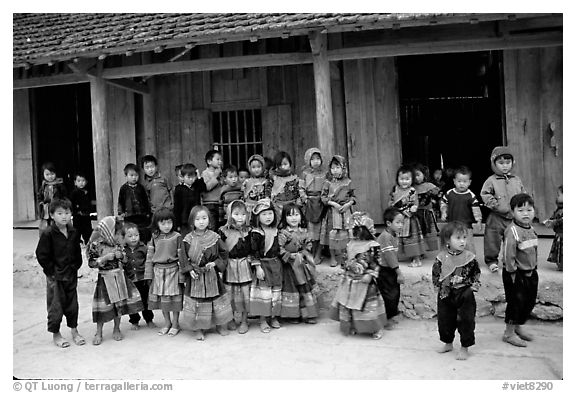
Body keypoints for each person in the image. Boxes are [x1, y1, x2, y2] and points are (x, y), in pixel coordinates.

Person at [35, 198, 85, 348]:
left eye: (67, 213)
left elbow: (77, 251)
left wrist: (77, 265)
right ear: (51, 215)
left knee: (72, 304)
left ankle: (74, 331)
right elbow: (41, 254)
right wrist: (51, 271)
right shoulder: (48, 233)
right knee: (56, 306)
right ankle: (56, 334)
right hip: (55, 276)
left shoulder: (73, 231)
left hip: (70, 273)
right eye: (60, 213)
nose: (64, 216)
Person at [330, 212, 388, 339]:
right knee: (349, 305)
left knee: (367, 307)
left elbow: (377, 263)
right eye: (354, 229)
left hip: (365, 281)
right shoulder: (350, 244)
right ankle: (354, 325)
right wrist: (344, 271)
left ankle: (375, 328)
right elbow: (345, 260)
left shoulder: (372, 246)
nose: (356, 232)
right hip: (350, 280)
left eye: (359, 229)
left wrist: (371, 274)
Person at [87, 216, 143, 345]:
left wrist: (121, 257)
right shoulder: (95, 245)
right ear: (108, 231)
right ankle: (99, 332)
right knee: (102, 306)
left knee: (118, 305)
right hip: (104, 279)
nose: (119, 236)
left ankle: (116, 328)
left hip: (118, 277)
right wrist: (104, 258)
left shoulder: (118, 244)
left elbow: (125, 260)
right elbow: (91, 263)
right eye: (116, 233)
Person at [179, 206, 233, 340]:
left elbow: (224, 253)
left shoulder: (215, 237)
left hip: (212, 275)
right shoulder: (187, 239)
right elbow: (183, 257)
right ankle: (199, 328)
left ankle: (220, 325)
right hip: (196, 277)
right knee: (198, 303)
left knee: (217, 301)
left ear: (209, 220)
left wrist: (215, 263)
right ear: (192, 221)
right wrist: (189, 269)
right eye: (197, 219)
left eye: (204, 218)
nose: (201, 222)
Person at [432, 221, 481, 360]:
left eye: (464, 238)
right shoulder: (441, 257)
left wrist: (473, 286)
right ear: (448, 240)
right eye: (458, 238)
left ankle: (465, 347)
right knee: (445, 319)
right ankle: (448, 343)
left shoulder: (469, 257)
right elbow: (436, 273)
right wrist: (438, 288)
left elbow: (476, 273)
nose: (462, 241)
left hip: (464, 294)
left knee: (466, 320)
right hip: (445, 293)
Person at [501, 193, 538, 347]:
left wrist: (534, 268)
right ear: (512, 212)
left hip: (531, 272)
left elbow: (534, 250)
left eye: (529, 210)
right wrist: (512, 273)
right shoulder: (512, 231)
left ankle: (517, 326)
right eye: (521, 210)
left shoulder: (532, 229)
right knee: (515, 303)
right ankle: (508, 333)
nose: (525, 214)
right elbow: (508, 254)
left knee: (528, 302)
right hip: (516, 274)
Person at [480, 146, 525, 273]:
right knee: (492, 240)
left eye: (508, 162)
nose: (505, 166)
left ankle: (509, 260)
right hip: (496, 217)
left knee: (512, 240)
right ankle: (491, 261)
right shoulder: (491, 180)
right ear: (494, 164)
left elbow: (523, 194)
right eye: (501, 163)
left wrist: (522, 208)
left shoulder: (516, 180)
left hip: (513, 217)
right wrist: (494, 204)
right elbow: (485, 194)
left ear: (512, 163)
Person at [144, 208, 183, 337]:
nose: (167, 226)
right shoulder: (154, 238)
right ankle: (167, 323)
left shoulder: (177, 237)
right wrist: (148, 275)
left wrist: (182, 277)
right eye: (163, 223)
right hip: (159, 272)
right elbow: (150, 258)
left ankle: (176, 324)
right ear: (157, 224)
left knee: (175, 299)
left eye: (169, 222)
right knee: (163, 300)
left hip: (173, 271)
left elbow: (182, 257)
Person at [278, 203, 319, 324]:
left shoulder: (304, 232)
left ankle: (307, 314)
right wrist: (289, 255)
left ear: (301, 216)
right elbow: (279, 248)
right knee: (292, 289)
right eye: (289, 215)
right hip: (289, 268)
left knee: (304, 288)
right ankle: (293, 315)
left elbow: (309, 245)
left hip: (302, 266)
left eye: (296, 214)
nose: (294, 218)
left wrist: (304, 253)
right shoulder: (283, 233)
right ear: (284, 218)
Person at [249, 198, 283, 333]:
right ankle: (263, 319)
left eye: (270, 213)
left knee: (276, 293)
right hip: (263, 266)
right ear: (257, 217)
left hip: (275, 265)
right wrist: (257, 267)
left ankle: (273, 317)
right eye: (263, 214)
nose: (268, 217)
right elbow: (254, 251)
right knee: (264, 294)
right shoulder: (256, 233)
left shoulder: (276, 230)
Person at [219, 200, 252, 334]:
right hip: (230, 266)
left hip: (244, 265)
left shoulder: (249, 231)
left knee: (245, 294)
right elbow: (220, 251)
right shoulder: (223, 231)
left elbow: (252, 249)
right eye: (236, 214)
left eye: (243, 214)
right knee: (230, 294)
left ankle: (244, 320)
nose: (240, 217)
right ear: (229, 214)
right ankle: (231, 318)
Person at [320, 155, 356, 267]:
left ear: (343, 168)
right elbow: (323, 197)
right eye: (332, 168)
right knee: (333, 234)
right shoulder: (328, 183)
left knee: (348, 233)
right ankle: (332, 257)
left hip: (346, 211)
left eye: (338, 167)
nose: (335, 170)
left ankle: (347, 256)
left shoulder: (348, 182)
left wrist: (348, 204)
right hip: (332, 211)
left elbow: (353, 197)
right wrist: (333, 203)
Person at [440, 166, 483, 254]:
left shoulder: (471, 196)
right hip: (452, 224)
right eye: (459, 181)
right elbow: (443, 203)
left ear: (469, 182)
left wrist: (479, 220)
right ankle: (450, 258)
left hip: (466, 225)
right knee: (451, 241)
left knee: (467, 243)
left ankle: (471, 260)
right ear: (454, 181)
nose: (461, 184)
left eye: (464, 181)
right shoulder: (449, 193)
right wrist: (443, 212)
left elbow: (476, 209)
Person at [389, 165, 426, 267]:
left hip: (409, 219)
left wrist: (412, 209)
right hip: (397, 218)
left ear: (412, 179)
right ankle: (397, 256)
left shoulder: (412, 191)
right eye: (401, 179)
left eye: (407, 179)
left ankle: (416, 259)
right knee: (398, 238)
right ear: (397, 179)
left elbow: (415, 204)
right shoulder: (395, 189)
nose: (404, 181)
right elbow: (391, 202)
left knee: (411, 239)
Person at [376, 207, 406, 326]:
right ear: (388, 223)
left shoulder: (393, 235)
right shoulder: (386, 237)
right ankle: (386, 319)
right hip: (385, 270)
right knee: (388, 295)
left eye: (402, 222)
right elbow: (390, 257)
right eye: (397, 222)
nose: (400, 225)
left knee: (394, 293)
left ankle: (391, 314)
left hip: (390, 269)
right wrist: (399, 272)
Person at [122, 222, 155, 330]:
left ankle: (149, 319)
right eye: (130, 236)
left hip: (142, 279)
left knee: (146, 300)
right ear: (124, 237)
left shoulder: (143, 248)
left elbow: (149, 261)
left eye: (136, 235)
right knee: (132, 302)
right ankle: (134, 321)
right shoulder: (123, 250)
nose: (133, 238)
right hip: (130, 280)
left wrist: (149, 276)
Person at [299, 148, 328, 263]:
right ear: (308, 160)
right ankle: (311, 252)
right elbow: (301, 187)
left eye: (318, 158)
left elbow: (328, 187)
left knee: (322, 229)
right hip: (310, 203)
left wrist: (324, 198)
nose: (316, 161)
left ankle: (319, 253)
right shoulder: (305, 174)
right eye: (313, 159)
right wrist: (305, 199)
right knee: (311, 230)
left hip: (322, 203)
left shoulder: (325, 174)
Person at [117, 163, 152, 244]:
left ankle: (144, 247)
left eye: (136, 175)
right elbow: (120, 201)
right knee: (131, 232)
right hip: (129, 216)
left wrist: (147, 212)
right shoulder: (123, 189)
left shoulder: (141, 188)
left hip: (141, 216)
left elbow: (146, 200)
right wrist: (121, 212)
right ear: (126, 176)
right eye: (131, 175)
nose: (134, 177)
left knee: (143, 232)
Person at [173, 163, 206, 237]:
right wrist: (177, 224)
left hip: (196, 217)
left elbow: (204, 188)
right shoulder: (179, 189)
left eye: (193, 177)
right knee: (186, 239)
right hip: (184, 220)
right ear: (183, 177)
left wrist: (199, 176)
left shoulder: (196, 186)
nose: (191, 179)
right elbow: (177, 207)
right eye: (188, 177)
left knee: (198, 236)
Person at [412, 163, 440, 251]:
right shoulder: (411, 188)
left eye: (418, 175)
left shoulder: (429, 186)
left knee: (429, 230)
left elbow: (438, 194)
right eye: (413, 176)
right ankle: (420, 249)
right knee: (417, 231)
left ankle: (430, 248)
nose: (416, 178)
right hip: (416, 213)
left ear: (424, 174)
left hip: (427, 212)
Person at [270, 151, 301, 219]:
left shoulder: (295, 178)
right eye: (280, 165)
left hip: (292, 207)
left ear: (290, 164)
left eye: (285, 164)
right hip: (277, 207)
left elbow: (298, 192)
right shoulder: (273, 178)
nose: (283, 167)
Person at [37, 162, 67, 232]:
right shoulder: (43, 185)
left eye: (52, 174)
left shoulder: (60, 185)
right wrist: (41, 203)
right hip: (46, 210)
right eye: (47, 174)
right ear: (43, 175)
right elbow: (39, 196)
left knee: (57, 227)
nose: (50, 176)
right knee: (44, 228)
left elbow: (64, 196)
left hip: (57, 208)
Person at [242, 154, 271, 222]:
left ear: (263, 167)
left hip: (263, 208)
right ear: (249, 168)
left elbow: (269, 196)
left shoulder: (266, 182)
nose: (256, 169)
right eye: (253, 167)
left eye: (259, 167)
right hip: (250, 209)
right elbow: (244, 196)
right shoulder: (246, 182)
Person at [201, 149, 223, 230]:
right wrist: (215, 176)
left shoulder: (220, 173)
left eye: (221, 160)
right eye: (217, 159)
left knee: (221, 226)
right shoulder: (205, 173)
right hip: (209, 204)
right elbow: (207, 187)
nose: (220, 161)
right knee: (212, 226)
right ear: (209, 161)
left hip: (220, 203)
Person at [69, 172, 92, 245]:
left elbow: (90, 202)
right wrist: (76, 210)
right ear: (75, 182)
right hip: (78, 216)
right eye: (79, 181)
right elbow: (71, 203)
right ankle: (77, 242)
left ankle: (88, 242)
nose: (81, 183)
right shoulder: (74, 193)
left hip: (86, 215)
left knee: (87, 230)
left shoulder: (87, 192)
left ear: (86, 182)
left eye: (83, 181)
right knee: (77, 230)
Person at [544, 185, 563, 271]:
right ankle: (560, 264)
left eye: (558, 195)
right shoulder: (559, 208)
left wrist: (554, 222)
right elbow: (555, 216)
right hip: (559, 234)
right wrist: (550, 220)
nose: (556, 197)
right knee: (558, 249)